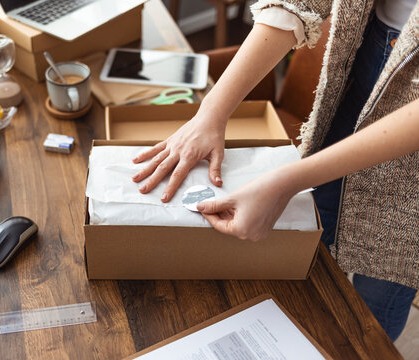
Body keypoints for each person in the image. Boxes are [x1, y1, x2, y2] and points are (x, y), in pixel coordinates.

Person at [131, 0, 419, 341]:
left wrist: (287, 181)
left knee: (380, 290)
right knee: (313, 244)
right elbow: (299, 3)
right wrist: (211, 111)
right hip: (368, 57)